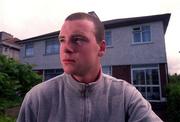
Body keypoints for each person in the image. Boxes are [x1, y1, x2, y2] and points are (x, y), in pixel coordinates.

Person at [17, 12, 162, 122]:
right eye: (62, 40)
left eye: (77, 39)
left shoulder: (126, 96)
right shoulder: (37, 98)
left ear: (101, 48)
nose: (65, 48)